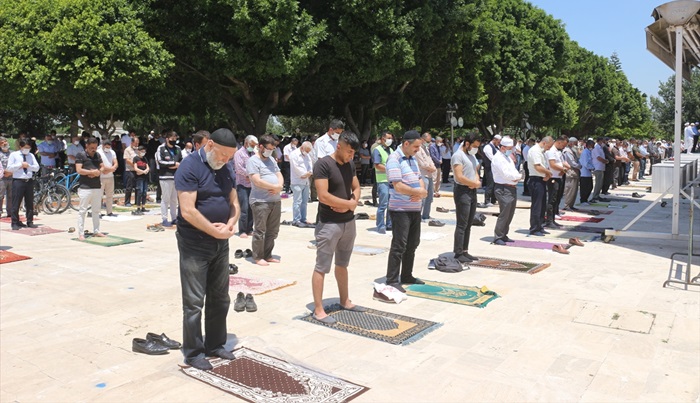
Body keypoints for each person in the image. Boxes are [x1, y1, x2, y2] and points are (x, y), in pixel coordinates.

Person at [174, 128, 240, 371]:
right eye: (223, 155)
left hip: (221, 242)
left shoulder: (226, 168)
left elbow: (234, 202)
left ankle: (215, 344)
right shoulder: (189, 166)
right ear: (210, 145)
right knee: (193, 301)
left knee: (220, 297)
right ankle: (193, 352)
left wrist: (230, 224)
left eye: (230, 157)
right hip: (194, 243)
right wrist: (215, 232)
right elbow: (187, 210)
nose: (226, 160)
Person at [311, 130, 365, 323]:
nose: (351, 156)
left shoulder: (349, 164)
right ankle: (318, 309)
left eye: (353, 153)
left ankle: (345, 300)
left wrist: (351, 203)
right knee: (322, 267)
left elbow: (356, 187)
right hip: (329, 224)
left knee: (343, 264)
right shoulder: (323, 164)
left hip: (348, 223)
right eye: (349, 152)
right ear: (338, 146)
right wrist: (348, 205)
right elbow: (323, 195)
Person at [384, 130, 429, 292]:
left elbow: (418, 179)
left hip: (414, 209)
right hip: (400, 209)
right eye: (416, 146)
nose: (418, 149)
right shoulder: (394, 159)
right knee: (399, 245)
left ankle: (407, 275)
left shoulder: (412, 159)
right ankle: (392, 279)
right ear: (406, 144)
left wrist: (421, 191)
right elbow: (398, 186)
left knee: (412, 243)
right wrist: (418, 193)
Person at [247, 134, 284, 266]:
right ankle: (257, 256)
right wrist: (274, 186)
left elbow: (279, 175)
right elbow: (257, 181)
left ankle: (268, 254)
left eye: (272, 149)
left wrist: (279, 187)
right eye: (268, 148)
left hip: (275, 200)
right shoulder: (253, 161)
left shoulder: (272, 160)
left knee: (273, 230)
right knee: (260, 230)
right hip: (260, 201)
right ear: (260, 146)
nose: (270, 151)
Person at [451, 133, 482, 263]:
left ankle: (465, 250)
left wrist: (477, 180)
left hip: (472, 190)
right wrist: (472, 183)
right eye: (474, 146)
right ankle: (458, 252)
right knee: (462, 223)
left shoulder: (471, 156)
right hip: (462, 191)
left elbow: (474, 170)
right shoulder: (458, 155)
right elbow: (459, 176)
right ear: (467, 143)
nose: (476, 149)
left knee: (469, 222)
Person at [490, 136, 520, 245]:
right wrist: (517, 177)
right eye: (509, 148)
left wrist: (517, 176)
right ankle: (498, 236)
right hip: (503, 188)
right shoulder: (498, 158)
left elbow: (513, 171)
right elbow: (506, 174)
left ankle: (504, 234)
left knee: (510, 213)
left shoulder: (507, 158)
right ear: (502, 147)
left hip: (511, 187)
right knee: (504, 213)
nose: (511, 150)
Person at [75, 138, 106, 240]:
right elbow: (79, 170)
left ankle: (96, 230)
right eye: (91, 147)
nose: (93, 149)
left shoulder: (97, 155)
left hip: (96, 186)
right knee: (82, 211)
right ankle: (80, 233)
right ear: (86, 146)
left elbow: (102, 167)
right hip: (85, 187)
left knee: (96, 210)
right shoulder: (81, 155)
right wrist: (91, 172)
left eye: (95, 147)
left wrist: (98, 171)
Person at [7, 139, 40, 230]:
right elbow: (9, 168)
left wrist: (29, 166)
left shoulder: (31, 155)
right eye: (25, 147)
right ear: (21, 147)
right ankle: (15, 222)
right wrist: (20, 165)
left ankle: (30, 221)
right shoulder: (14, 155)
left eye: (29, 148)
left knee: (29, 202)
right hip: (18, 181)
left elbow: (37, 167)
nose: (27, 149)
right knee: (16, 202)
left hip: (28, 180)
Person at [527, 136, 554, 236]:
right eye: (549, 146)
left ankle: (540, 225)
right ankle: (534, 228)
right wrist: (548, 173)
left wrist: (547, 174)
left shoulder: (541, 151)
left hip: (541, 179)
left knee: (542, 205)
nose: (549, 148)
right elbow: (537, 166)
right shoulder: (535, 151)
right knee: (537, 206)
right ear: (544, 143)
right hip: (536, 180)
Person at [156, 131, 182, 227]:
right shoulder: (161, 148)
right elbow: (160, 162)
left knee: (174, 199)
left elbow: (181, 161)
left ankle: (174, 218)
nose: (174, 141)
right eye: (172, 139)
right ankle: (164, 219)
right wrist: (173, 164)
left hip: (176, 177)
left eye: (175, 139)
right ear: (167, 139)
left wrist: (175, 165)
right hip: (165, 177)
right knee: (165, 199)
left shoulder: (178, 148)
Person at [233, 135, 257, 238]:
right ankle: (242, 230)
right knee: (244, 208)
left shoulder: (254, 154)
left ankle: (250, 229)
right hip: (242, 184)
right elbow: (239, 168)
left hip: (252, 185)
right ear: (246, 143)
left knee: (252, 208)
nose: (253, 147)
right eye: (252, 145)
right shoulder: (239, 153)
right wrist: (249, 175)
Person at [544, 136, 569, 228]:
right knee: (552, 199)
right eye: (563, 145)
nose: (563, 147)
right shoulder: (551, 151)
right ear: (559, 142)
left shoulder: (558, 152)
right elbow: (552, 165)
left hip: (558, 177)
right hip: (552, 177)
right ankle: (549, 221)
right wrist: (564, 169)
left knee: (557, 199)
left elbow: (562, 163)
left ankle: (553, 219)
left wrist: (564, 169)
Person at [416, 132, 440, 224]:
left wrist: (433, 167)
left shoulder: (426, 149)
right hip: (423, 174)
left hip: (429, 174)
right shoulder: (418, 149)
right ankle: (418, 216)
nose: (429, 143)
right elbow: (422, 163)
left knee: (429, 197)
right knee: (422, 197)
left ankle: (426, 215)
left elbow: (430, 160)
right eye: (427, 141)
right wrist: (430, 168)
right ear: (422, 140)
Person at [373, 131, 394, 234]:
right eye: (388, 138)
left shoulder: (391, 150)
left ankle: (389, 224)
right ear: (382, 139)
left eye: (391, 138)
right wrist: (389, 169)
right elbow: (377, 165)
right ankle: (380, 225)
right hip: (382, 181)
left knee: (391, 204)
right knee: (383, 204)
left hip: (391, 181)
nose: (390, 140)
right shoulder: (377, 150)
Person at [290, 141, 314, 227]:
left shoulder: (307, 155)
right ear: (302, 148)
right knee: (297, 201)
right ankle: (296, 219)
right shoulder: (294, 154)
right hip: (297, 181)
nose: (307, 152)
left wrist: (309, 172)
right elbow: (295, 167)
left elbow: (310, 164)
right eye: (306, 150)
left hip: (306, 181)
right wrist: (304, 174)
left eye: (308, 151)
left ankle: (303, 218)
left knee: (304, 201)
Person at [97, 139, 118, 217]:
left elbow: (115, 163)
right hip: (101, 176)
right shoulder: (98, 152)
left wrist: (112, 168)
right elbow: (100, 165)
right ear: (102, 146)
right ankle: (98, 212)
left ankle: (109, 211)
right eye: (106, 147)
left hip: (110, 176)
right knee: (99, 195)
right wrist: (110, 169)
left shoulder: (112, 152)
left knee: (110, 195)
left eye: (109, 147)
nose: (107, 149)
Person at [480, 134, 501, 206]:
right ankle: (487, 200)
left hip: (495, 168)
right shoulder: (488, 147)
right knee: (490, 184)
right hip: (489, 168)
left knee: (495, 184)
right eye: (498, 141)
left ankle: (493, 199)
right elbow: (492, 158)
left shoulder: (497, 147)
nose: (499, 143)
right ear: (494, 140)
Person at [561, 137, 581, 211]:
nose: (576, 145)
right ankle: (567, 205)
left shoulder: (572, 151)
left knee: (574, 190)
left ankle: (571, 205)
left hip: (575, 172)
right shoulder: (567, 151)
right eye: (575, 143)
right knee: (570, 189)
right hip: (571, 171)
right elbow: (572, 163)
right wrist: (579, 166)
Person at [590, 137, 608, 202]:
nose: (603, 143)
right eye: (602, 141)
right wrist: (605, 161)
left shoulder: (600, 147)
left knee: (600, 183)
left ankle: (597, 195)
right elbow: (598, 157)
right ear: (600, 141)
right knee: (598, 183)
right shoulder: (596, 148)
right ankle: (595, 196)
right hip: (598, 167)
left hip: (601, 167)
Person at [133, 145, 150, 214]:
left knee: (144, 192)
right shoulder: (136, 158)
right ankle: (138, 207)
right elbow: (135, 168)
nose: (143, 153)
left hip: (145, 177)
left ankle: (143, 206)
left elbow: (148, 167)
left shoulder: (145, 159)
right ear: (138, 151)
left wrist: (146, 171)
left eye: (144, 151)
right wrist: (142, 171)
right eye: (142, 151)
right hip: (139, 178)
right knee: (140, 191)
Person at [123, 137, 139, 206]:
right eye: (136, 143)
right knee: (129, 186)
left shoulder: (138, 150)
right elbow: (127, 160)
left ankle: (137, 201)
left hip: (137, 170)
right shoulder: (127, 150)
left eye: (138, 143)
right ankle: (127, 202)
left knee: (137, 187)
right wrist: (135, 165)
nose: (137, 144)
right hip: (130, 170)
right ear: (132, 143)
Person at [578, 140, 595, 205]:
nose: (593, 147)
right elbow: (586, 163)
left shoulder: (589, 152)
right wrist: (592, 167)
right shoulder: (585, 152)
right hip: (584, 173)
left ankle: (586, 199)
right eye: (592, 146)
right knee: (585, 188)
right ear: (589, 145)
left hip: (588, 173)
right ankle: (583, 200)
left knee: (590, 187)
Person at [0, 136, 13, 218]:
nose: (5, 143)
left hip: (12, 176)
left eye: (5, 142)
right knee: (0, 195)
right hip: (2, 177)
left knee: (11, 195)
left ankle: (10, 211)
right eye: (2, 142)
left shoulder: (12, 153)